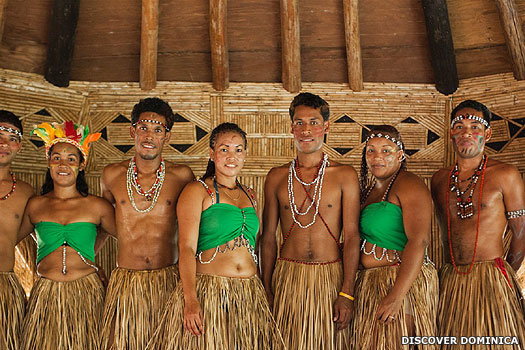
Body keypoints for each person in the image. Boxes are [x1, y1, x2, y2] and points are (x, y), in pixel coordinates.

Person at [146, 122, 285, 349]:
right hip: (211, 292)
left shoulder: (250, 194)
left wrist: (264, 288)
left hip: (248, 294)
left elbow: (256, 246)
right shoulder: (198, 190)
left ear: (245, 155)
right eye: (224, 149)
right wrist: (190, 300)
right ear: (212, 154)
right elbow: (187, 248)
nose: (232, 156)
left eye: (238, 150)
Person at [261, 92, 360, 349]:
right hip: (288, 279)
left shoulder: (344, 176)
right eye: (299, 122)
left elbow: (351, 237)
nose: (306, 130)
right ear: (291, 127)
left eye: (314, 122)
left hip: (330, 280)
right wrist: (267, 287)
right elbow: (268, 237)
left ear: (326, 127)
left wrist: (346, 292)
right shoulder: (276, 177)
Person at [100, 97, 194, 350]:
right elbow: (101, 224)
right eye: (143, 128)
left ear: (167, 137)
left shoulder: (182, 176)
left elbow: (194, 229)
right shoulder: (111, 175)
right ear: (133, 131)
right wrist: (91, 263)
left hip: (169, 279)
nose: (149, 136)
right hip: (127, 283)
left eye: (157, 130)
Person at [431, 100, 525, 349]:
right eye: (459, 126)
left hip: (492, 278)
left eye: (475, 126)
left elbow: (520, 233)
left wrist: (505, 277)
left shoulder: (506, 174)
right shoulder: (439, 180)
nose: (466, 133)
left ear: (487, 133)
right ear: (451, 133)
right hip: (451, 279)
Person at [17, 121, 115, 350]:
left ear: (82, 165)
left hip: (86, 293)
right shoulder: (35, 205)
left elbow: (129, 238)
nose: (63, 164)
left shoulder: (96, 206)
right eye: (57, 158)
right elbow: (9, 238)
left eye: (71, 159)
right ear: (48, 162)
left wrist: (89, 256)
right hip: (46, 295)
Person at [352, 125, 438, 349]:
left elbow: (419, 241)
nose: (377, 156)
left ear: (400, 155)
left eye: (386, 150)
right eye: (370, 150)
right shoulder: (370, 190)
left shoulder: (409, 185)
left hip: (400, 283)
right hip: (372, 283)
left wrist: (396, 296)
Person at [0, 110, 33, 350]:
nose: (4, 143)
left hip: (5, 288)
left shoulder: (24, 192)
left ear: (19, 146)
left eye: (12, 138)